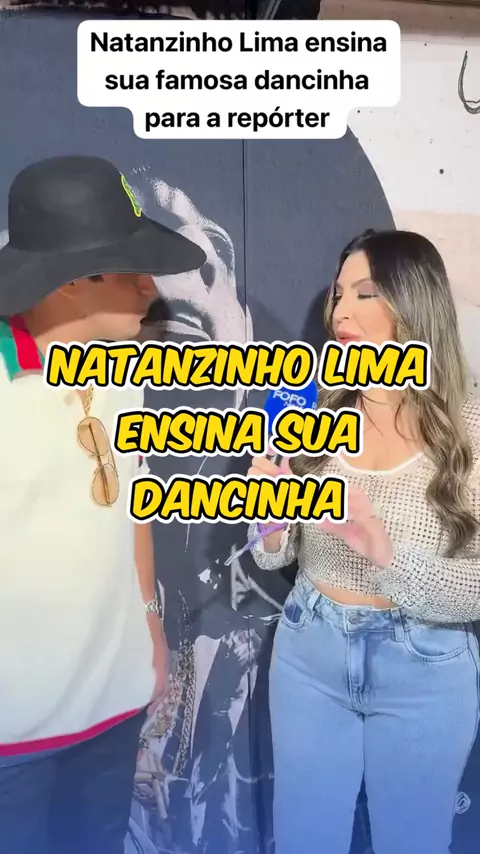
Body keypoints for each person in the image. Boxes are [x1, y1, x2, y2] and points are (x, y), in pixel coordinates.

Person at [248, 229, 480, 854]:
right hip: (310, 655)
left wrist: (386, 554)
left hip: (426, 667)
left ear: (414, 303)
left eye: (365, 293)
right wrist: (268, 510)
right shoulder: (312, 408)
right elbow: (274, 554)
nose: (340, 312)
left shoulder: (471, 425)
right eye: (337, 293)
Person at [0, 154, 206, 854]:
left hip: (113, 712)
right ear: (70, 281)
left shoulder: (119, 369)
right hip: (14, 738)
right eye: (129, 269)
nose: (151, 287)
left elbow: (129, 507)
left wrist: (149, 627)